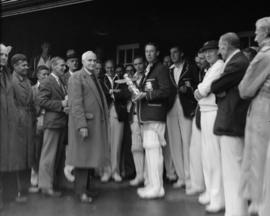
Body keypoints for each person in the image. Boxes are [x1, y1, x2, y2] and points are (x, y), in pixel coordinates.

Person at [210, 32, 250, 216]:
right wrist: (222, 89)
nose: (219, 51)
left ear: (226, 45)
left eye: (220, 46)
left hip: (231, 120)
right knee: (233, 168)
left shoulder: (237, 62)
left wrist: (221, 89)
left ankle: (236, 212)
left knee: (232, 170)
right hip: (233, 120)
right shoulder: (239, 61)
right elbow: (220, 87)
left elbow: (216, 86)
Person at [66, 51, 109, 203]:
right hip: (86, 125)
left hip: (94, 125)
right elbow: (75, 104)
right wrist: (81, 125)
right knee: (82, 160)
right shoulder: (76, 77)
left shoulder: (93, 77)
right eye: (89, 60)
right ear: (83, 62)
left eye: (94, 60)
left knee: (90, 158)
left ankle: (87, 189)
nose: (92, 63)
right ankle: (81, 192)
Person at [238, 16, 270, 215]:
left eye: (257, 31)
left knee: (260, 159)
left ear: (266, 32)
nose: (255, 35)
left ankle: (261, 206)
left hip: (263, 108)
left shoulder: (264, 55)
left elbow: (245, 89)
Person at [136, 42, 172, 199]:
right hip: (147, 115)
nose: (149, 54)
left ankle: (157, 187)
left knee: (154, 151)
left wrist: (146, 95)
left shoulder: (161, 68)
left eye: (152, 51)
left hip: (155, 114)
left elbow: (166, 91)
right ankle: (151, 184)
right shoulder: (148, 70)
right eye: (146, 52)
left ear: (157, 53)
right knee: (150, 151)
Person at [194, 40, 225, 212]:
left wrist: (200, 90)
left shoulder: (219, 65)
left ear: (218, 52)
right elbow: (201, 90)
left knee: (213, 156)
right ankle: (210, 191)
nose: (207, 54)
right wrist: (200, 90)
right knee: (206, 156)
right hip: (205, 112)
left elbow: (203, 90)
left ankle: (217, 196)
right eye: (205, 52)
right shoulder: (210, 68)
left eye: (211, 51)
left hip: (213, 112)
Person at [166, 45, 199, 190]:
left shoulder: (190, 67)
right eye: (171, 53)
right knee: (175, 143)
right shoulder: (169, 70)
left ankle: (190, 177)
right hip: (172, 107)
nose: (173, 55)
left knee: (187, 142)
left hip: (186, 107)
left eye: (175, 52)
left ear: (182, 53)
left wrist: (189, 90)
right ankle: (181, 177)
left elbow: (198, 86)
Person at [38, 57, 68, 197]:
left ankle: (53, 184)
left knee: (57, 155)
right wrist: (61, 104)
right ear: (54, 66)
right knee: (48, 155)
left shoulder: (61, 81)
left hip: (61, 122)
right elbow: (42, 101)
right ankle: (45, 186)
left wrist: (64, 108)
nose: (64, 68)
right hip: (53, 123)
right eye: (62, 66)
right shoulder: (47, 81)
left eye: (64, 66)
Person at [11, 53, 36, 201]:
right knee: (18, 157)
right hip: (17, 123)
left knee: (28, 155)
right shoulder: (11, 81)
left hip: (29, 121)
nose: (27, 67)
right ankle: (17, 190)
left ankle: (25, 188)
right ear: (14, 66)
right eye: (23, 65)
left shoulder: (26, 80)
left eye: (27, 64)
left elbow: (31, 102)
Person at [0, 44, 19, 207]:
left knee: (8, 161)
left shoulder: (6, 74)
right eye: (1, 55)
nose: (4, 58)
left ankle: (9, 195)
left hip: (8, 125)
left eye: (6, 55)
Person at [29, 65, 50, 192]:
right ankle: (35, 176)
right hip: (37, 122)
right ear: (38, 75)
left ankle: (44, 179)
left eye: (48, 74)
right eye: (43, 75)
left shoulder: (51, 88)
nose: (46, 77)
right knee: (36, 150)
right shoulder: (32, 90)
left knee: (46, 151)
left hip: (49, 122)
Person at [129, 56, 145, 186]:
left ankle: (149, 177)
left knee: (149, 147)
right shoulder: (131, 79)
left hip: (146, 115)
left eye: (140, 64)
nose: (138, 66)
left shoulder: (147, 76)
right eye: (135, 64)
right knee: (136, 147)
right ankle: (139, 175)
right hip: (134, 114)